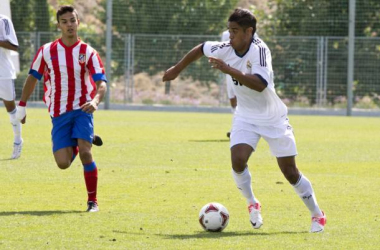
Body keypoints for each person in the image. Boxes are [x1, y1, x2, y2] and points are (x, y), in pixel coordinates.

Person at [163, 8, 326, 232]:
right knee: (238, 160)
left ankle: (317, 215)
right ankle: (252, 203)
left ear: (249, 32)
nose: (230, 36)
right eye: (229, 30)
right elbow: (201, 48)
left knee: (290, 172)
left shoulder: (260, 51)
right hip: (246, 116)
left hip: (273, 118)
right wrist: (176, 69)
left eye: (235, 31)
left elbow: (259, 84)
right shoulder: (226, 48)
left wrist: (229, 70)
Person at [15, 5, 107, 212]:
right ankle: (84, 137)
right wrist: (22, 105)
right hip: (58, 112)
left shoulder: (88, 52)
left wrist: (95, 102)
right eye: (64, 22)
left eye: (72, 20)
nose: (69, 25)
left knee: (85, 154)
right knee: (63, 163)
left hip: (83, 108)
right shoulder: (47, 51)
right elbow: (32, 78)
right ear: (58, 25)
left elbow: (102, 83)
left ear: (78, 23)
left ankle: (93, 201)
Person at [0, 14, 23, 159]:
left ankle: (17, 141)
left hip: (3, 73)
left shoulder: (4, 20)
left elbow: (14, 46)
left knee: (11, 108)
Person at [221, 30, 236, 138]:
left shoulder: (251, 32)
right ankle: (235, 127)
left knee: (242, 98)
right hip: (229, 69)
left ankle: (236, 129)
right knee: (232, 98)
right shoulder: (225, 34)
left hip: (244, 70)